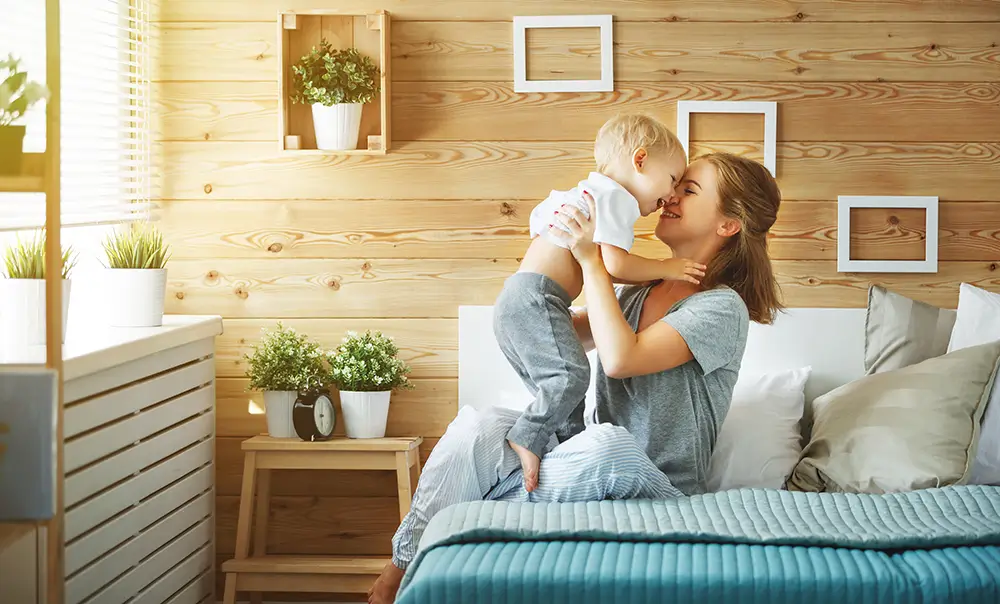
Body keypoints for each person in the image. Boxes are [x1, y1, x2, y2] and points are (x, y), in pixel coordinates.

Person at [369, 152, 784, 604]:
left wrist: (591, 259)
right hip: (588, 470)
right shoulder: (636, 290)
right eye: (675, 185)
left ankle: (467, 517)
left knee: (608, 444)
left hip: (659, 492)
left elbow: (622, 357)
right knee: (483, 425)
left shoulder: (721, 308)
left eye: (689, 190)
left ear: (728, 224)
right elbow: (555, 334)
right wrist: (534, 282)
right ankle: (400, 566)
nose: (670, 196)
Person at [495, 113, 707, 493]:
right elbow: (614, 264)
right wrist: (667, 267)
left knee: (566, 398)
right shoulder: (613, 198)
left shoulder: (588, 193)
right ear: (639, 161)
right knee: (572, 378)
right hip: (538, 299)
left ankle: (566, 457)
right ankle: (525, 437)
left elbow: (541, 221)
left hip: (521, 301)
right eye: (673, 179)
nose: (671, 195)